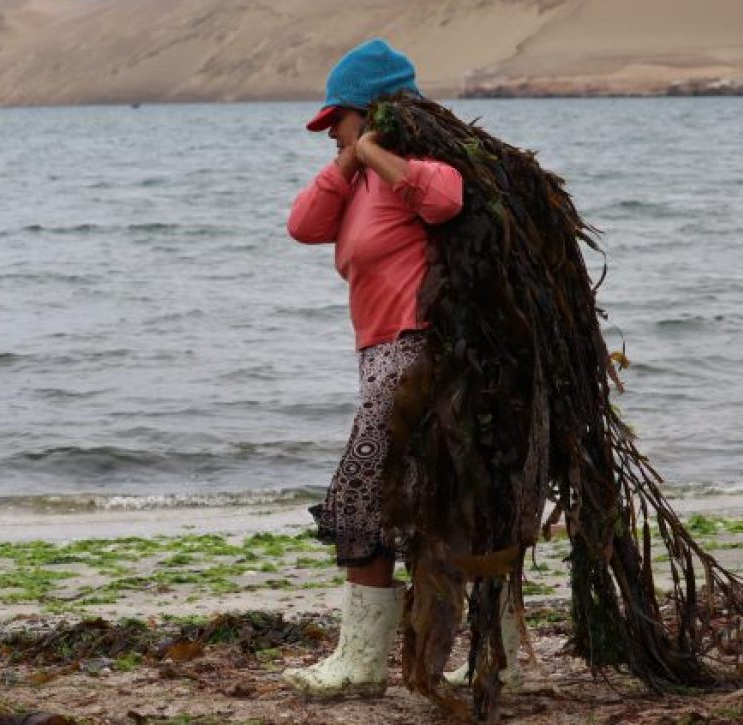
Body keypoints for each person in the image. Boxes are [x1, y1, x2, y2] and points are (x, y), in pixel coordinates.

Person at [281, 39, 519, 697]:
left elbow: (444, 199)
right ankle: (482, 662)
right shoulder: (355, 179)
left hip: (419, 361)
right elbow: (302, 224)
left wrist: (380, 153)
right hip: (381, 361)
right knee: (429, 504)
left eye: (339, 119)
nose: (330, 129)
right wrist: (348, 161)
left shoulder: (418, 164)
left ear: (376, 111)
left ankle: (363, 666)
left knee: (366, 497)